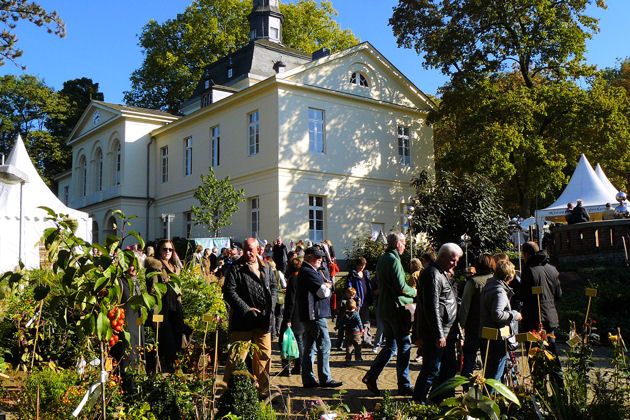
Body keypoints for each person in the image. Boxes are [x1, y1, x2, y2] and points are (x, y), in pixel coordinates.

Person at [222, 238, 277, 398]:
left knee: (264, 358)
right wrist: (246, 309)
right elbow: (229, 292)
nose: (247, 253)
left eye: (250, 250)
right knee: (236, 358)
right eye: (245, 249)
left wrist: (270, 306)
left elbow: (274, 287)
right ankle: (227, 393)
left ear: (258, 250)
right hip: (243, 321)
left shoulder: (266, 267)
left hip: (263, 321)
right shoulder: (235, 268)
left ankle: (263, 394)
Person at [363, 232, 416, 396]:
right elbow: (401, 287)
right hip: (395, 309)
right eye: (404, 243)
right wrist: (414, 291)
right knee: (404, 345)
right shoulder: (393, 260)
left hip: (383, 308)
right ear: (397, 244)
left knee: (391, 346)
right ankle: (404, 384)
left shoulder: (383, 258)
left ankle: (371, 376)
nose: (405, 246)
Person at [413, 243, 463, 404]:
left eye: (457, 261)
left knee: (449, 367)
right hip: (437, 332)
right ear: (442, 256)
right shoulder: (433, 274)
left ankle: (442, 400)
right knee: (431, 369)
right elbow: (431, 306)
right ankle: (418, 404)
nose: (455, 264)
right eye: (453, 260)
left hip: (447, 330)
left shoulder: (441, 273)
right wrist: (438, 334)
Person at [298, 246, 342, 388]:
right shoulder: (308, 272)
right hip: (315, 315)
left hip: (311, 315)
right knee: (324, 344)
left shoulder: (311, 271)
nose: (320, 260)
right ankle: (325, 378)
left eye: (321, 257)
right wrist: (328, 286)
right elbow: (322, 292)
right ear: (308, 256)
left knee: (310, 347)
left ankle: (309, 379)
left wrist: (326, 285)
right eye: (317, 257)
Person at [520, 241, 563, 386]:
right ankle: (560, 392)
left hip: (533, 319)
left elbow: (523, 295)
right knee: (552, 356)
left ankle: (539, 393)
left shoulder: (529, 269)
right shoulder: (552, 269)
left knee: (535, 358)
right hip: (550, 318)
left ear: (526, 254)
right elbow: (559, 295)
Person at [145, 239, 191, 373]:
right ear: (159, 250)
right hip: (162, 311)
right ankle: (172, 372)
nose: (168, 252)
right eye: (165, 249)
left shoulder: (174, 268)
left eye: (170, 249)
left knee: (178, 341)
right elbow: (152, 292)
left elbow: (178, 292)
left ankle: (173, 371)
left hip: (175, 311)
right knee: (168, 342)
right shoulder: (156, 267)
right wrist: (155, 316)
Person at [479, 260, 521, 381]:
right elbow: (497, 314)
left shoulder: (489, 286)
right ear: (510, 276)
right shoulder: (499, 291)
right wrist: (514, 315)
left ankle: (488, 397)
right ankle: (491, 398)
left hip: (487, 334)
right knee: (495, 374)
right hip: (497, 337)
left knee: (489, 372)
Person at [460, 254, 495, 380]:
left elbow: (465, 306)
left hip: (474, 326)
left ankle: (466, 386)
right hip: (491, 327)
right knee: (489, 359)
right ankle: (490, 388)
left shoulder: (473, 282)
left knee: (469, 358)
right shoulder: (496, 280)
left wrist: (461, 325)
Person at [280, 257, 304, 376]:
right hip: (302, 312)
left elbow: (291, 301)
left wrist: (288, 318)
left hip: (293, 314)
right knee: (299, 340)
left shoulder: (293, 279)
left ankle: (287, 368)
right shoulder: (302, 277)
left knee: (285, 340)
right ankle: (299, 367)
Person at [346, 257, 373, 346]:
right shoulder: (352, 275)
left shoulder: (365, 274)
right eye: (360, 265)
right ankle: (355, 339)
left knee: (366, 321)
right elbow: (349, 288)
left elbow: (368, 287)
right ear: (357, 265)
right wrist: (355, 297)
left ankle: (367, 340)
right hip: (356, 302)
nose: (362, 267)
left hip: (365, 300)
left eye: (363, 265)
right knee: (356, 321)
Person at [342, 299, 363, 363]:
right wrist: (361, 328)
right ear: (355, 307)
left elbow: (341, 322)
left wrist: (337, 327)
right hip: (356, 333)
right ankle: (358, 358)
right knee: (357, 346)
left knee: (349, 346)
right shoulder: (356, 314)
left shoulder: (345, 315)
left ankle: (348, 358)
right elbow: (359, 322)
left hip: (348, 332)